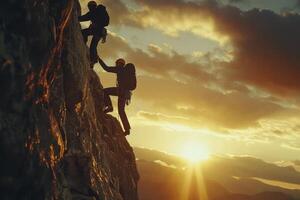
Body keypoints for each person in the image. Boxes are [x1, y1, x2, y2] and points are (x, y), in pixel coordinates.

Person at [98, 57, 137, 136]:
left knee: (105, 91)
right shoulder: (127, 72)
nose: (116, 65)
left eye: (117, 64)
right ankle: (127, 130)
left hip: (120, 91)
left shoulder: (119, 69)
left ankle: (109, 106)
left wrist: (99, 60)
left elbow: (107, 68)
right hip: (125, 93)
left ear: (119, 64)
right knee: (121, 111)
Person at [79, 1, 109, 66]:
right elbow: (106, 22)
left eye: (89, 6)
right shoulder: (99, 11)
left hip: (96, 30)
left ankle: (93, 59)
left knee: (84, 33)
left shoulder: (93, 12)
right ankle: (93, 60)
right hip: (100, 31)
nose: (89, 8)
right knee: (93, 46)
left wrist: (76, 17)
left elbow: (84, 18)